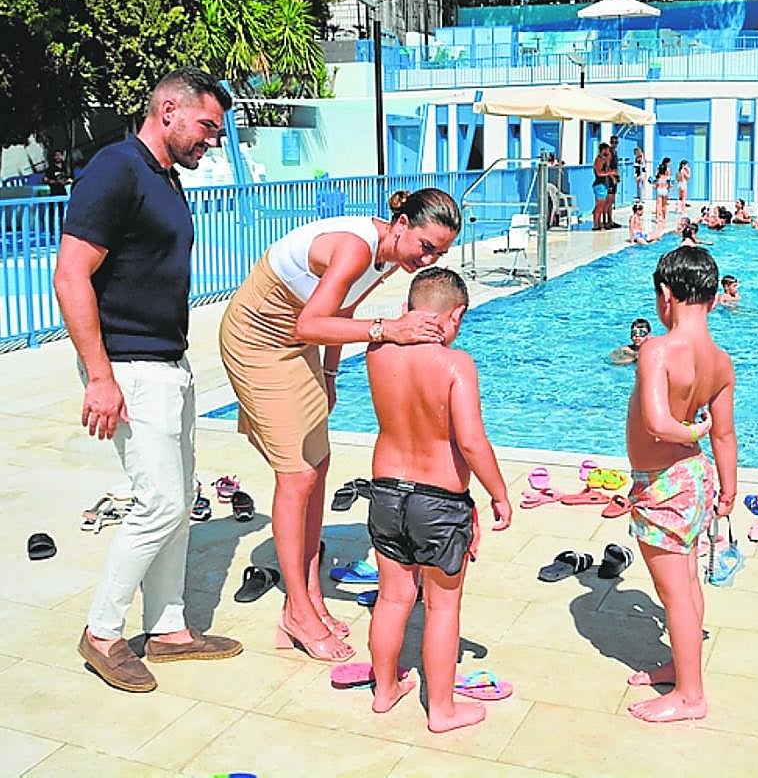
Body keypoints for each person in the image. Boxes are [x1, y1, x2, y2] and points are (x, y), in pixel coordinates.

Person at [53, 67, 242, 693]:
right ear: (167, 109)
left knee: (178, 500)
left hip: (167, 361)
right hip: (129, 365)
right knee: (158, 501)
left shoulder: (161, 177)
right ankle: (103, 632)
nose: (211, 142)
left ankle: (168, 629)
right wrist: (100, 378)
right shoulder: (117, 168)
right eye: (206, 127)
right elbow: (71, 275)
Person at [219, 188, 460, 661]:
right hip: (259, 342)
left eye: (440, 253)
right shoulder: (355, 248)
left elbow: (341, 309)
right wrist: (387, 329)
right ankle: (296, 611)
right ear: (402, 224)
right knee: (297, 475)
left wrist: (329, 374)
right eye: (426, 246)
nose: (429, 259)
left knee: (319, 464)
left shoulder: (390, 257)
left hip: (297, 341)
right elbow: (311, 323)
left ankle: (309, 592)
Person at [363, 268, 512, 727]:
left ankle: (385, 690)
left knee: (392, 599)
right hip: (438, 501)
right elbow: (471, 441)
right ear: (456, 315)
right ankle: (442, 709)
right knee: (443, 606)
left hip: (386, 493)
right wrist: (498, 494)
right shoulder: (456, 364)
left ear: (407, 311)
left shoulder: (376, 352)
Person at [623, 246, 736, 723]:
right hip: (695, 477)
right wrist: (728, 487)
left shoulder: (658, 348)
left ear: (664, 295)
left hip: (666, 483)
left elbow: (658, 423)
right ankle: (680, 664)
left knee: (676, 592)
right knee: (687, 581)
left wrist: (694, 431)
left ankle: (691, 695)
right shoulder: (720, 360)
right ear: (711, 299)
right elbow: (727, 432)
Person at [591, 142, 617, 232]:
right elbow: (599, 173)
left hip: (603, 185)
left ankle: (598, 223)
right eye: (606, 149)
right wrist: (610, 173)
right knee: (599, 207)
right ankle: (596, 225)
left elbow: (607, 168)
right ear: (603, 150)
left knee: (600, 206)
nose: (608, 151)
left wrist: (612, 175)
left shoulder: (603, 159)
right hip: (599, 185)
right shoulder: (599, 160)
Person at [654, 158, 672, 233]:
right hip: (665, 189)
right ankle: (664, 218)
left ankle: (658, 218)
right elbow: (669, 181)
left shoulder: (658, 174)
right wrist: (670, 186)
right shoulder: (667, 171)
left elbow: (655, 182)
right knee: (664, 205)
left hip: (659, 189)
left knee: (658, 204)